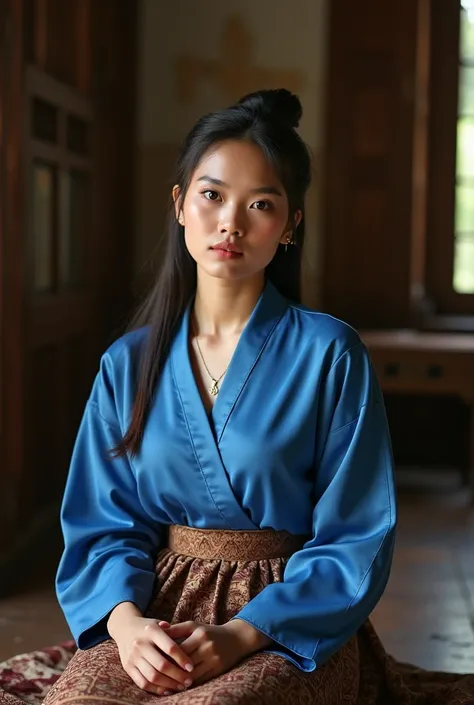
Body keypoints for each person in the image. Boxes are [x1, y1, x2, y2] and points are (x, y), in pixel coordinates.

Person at [40, 90, 474, 705]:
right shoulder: (127, 363)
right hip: (158, 610)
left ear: (291, 223)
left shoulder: (330, 353)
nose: (230, 223)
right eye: (212, 195)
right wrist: (128, 626)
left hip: (289, 622)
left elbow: (355, 534)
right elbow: (102, 522)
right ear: (180, 204)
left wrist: (244, 633)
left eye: (261, 204)